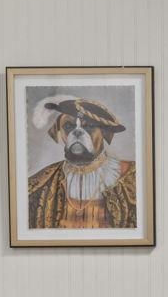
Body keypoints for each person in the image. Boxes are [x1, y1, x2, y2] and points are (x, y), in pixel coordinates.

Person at [26, 94, 137, 230]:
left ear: (105, 132)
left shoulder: (131, 176)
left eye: (89, 126)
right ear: (58, 133)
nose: (77, 133)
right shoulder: (42, 181)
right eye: (69, 126)